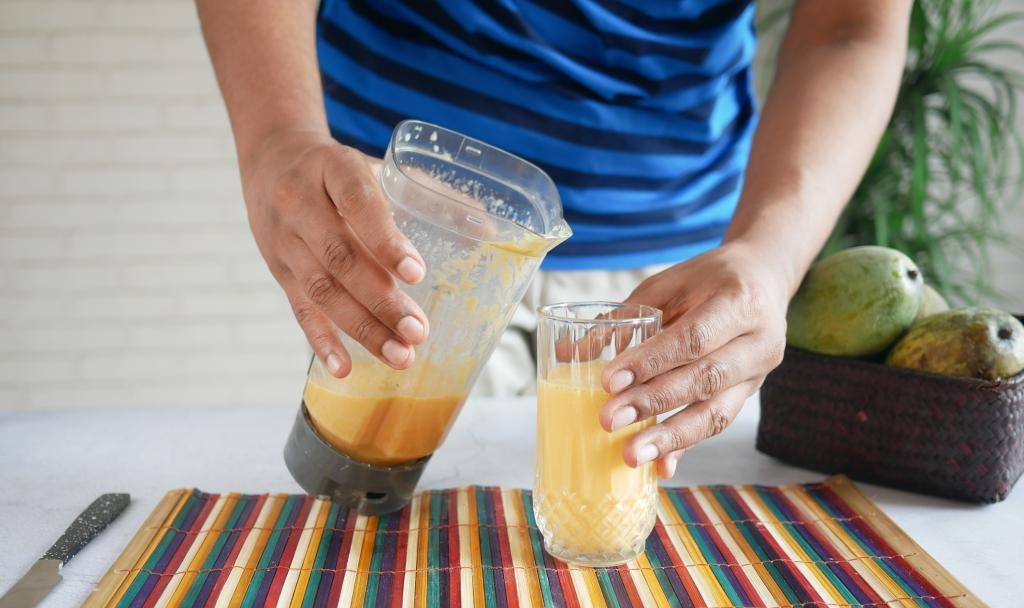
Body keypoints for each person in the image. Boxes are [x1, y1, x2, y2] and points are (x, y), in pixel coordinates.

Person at [197, 1, 912, 478]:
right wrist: (277, 139)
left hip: (676, 269)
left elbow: (853, 21)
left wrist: (771, 253)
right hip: (409, 228)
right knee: (360, 512)